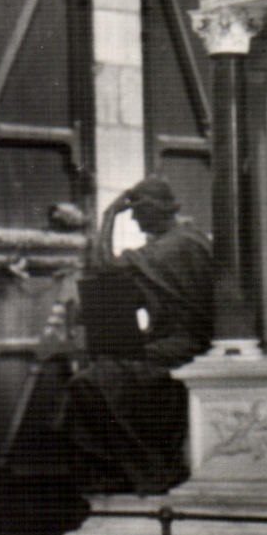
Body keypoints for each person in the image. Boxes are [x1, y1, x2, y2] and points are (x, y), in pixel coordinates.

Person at [58, 177, 214, 494]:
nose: (135, 221)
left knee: (88, 383)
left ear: (155, 209)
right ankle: (130, 468)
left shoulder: (174, 246)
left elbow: (102, 265)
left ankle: (143, 468)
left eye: (137, 213)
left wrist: (109, 215)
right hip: (173, 342)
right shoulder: (188, 241)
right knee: (96, 376)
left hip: (183, 345)